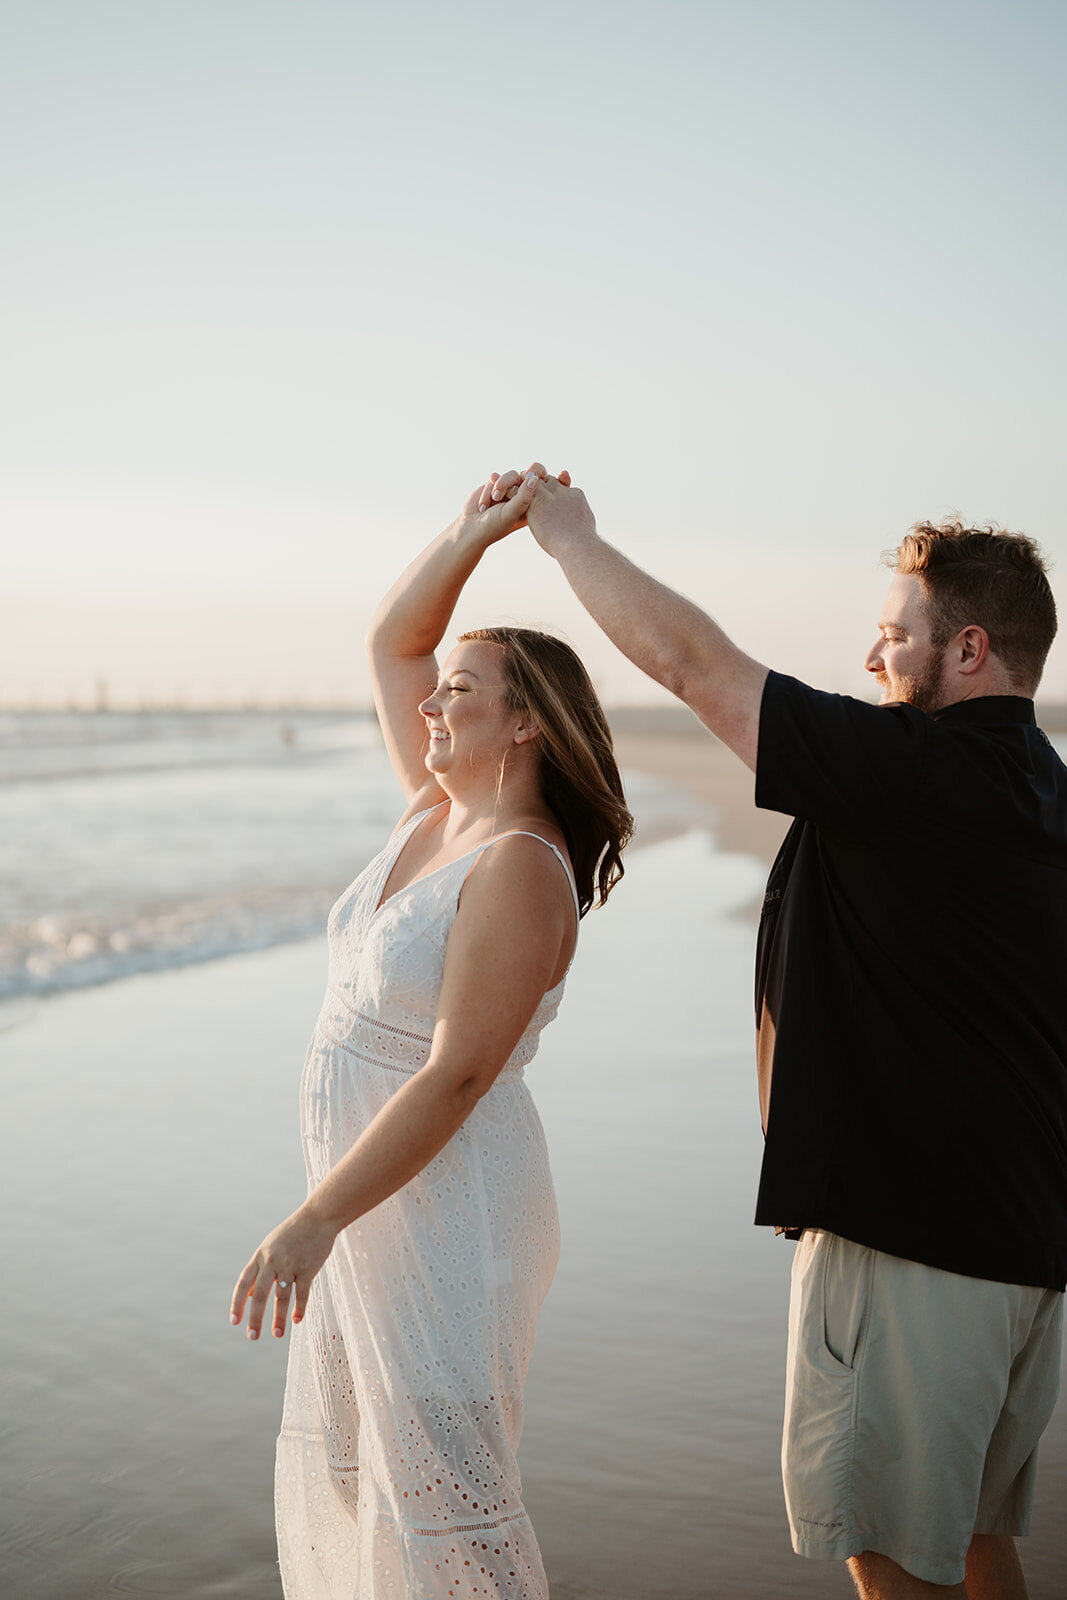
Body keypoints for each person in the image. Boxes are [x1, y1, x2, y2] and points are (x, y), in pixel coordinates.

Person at [491, 465, 1066, 1600]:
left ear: (967, 652)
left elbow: (693, 666)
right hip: (1021, 1245)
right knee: (973, 1543)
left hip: (917, 1246)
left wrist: (567, 537)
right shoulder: (1041, 790)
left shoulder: (921, 773)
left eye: (892, 635)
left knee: (890, 1551)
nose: (870, 659)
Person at [230, 473, 633, 1600]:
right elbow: (389, 642)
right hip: (376, 1207)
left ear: (524, 724)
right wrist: (476, 532)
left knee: (448, 1507)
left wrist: (314, 1218)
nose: (429, 703)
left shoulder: (515, 861)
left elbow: (457, 1072)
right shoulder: (435, 807)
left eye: (459, 691)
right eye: (438, 687)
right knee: (375, 1491)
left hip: (451, 1220)